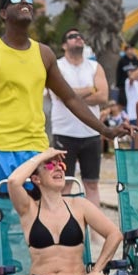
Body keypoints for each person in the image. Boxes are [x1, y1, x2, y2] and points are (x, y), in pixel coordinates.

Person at [0, 0, 130, 250]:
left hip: (36, 149)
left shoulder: (43, 54)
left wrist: (105, 130)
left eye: (30, 1)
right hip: (2, 150)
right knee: (3, 218)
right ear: (2, 14)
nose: (25, 4)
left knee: (40, 216)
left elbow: (69, 97)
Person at [5, 148, 122, 275]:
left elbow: (114, 234)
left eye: (61, 165)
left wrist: (96, 270)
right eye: (50, 165)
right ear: (36, 179)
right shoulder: (29, 210)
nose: (58, 168)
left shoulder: (79, 205)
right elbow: (13, 181)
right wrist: (43, 156)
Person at [49, 28, 110, 207]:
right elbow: (60, 95)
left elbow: (103, 96)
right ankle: (65, 227)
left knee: (91, 183)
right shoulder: (57, 66)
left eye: (80, 36)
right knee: (65, 182)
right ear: (64, 45)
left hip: (90, 132)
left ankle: (97, 230)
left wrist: (71, 95)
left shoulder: (94, 66)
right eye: (72, 36)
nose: (78, 38)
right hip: (64, 132)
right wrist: (91, 89)